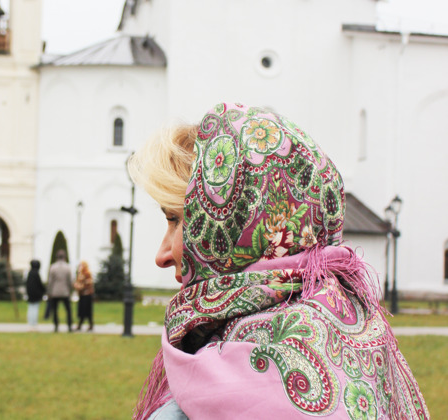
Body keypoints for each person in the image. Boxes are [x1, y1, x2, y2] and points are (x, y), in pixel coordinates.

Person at [128, 102, 429, 419]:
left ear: (233, 226)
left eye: (176, 220)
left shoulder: (216, 386)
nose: (162, 255)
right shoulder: (358, 336)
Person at [47, 249, 73, 333]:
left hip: (55, 291)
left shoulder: (53, 267)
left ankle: (56, 326)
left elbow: (50, 281)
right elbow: (70, 280)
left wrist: (49, 291)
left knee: (55, 310)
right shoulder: (67, 267)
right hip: (65, 292)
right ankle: (69, 326)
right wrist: (70, 290)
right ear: (64, 257)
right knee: (68, 310)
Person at [74, 261, 95, 331]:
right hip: (82, 295)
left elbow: (88, 284)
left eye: (81, 265)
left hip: (87, 294)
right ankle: (81, 324)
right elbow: (77, 282)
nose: (80, 267)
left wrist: (80, 286)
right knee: (82, 310)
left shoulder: (87, 274)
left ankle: (88, 324)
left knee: (87, 310)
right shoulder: (80, 274)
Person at [25, 259, 45, 329]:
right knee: (34, 309)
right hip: (36, 294)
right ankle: (33, 323)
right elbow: (39, 284)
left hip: (31, 294)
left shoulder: (30, 273)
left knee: (31, 308)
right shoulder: (36, 274)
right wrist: (43, 290)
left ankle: (31, 323)